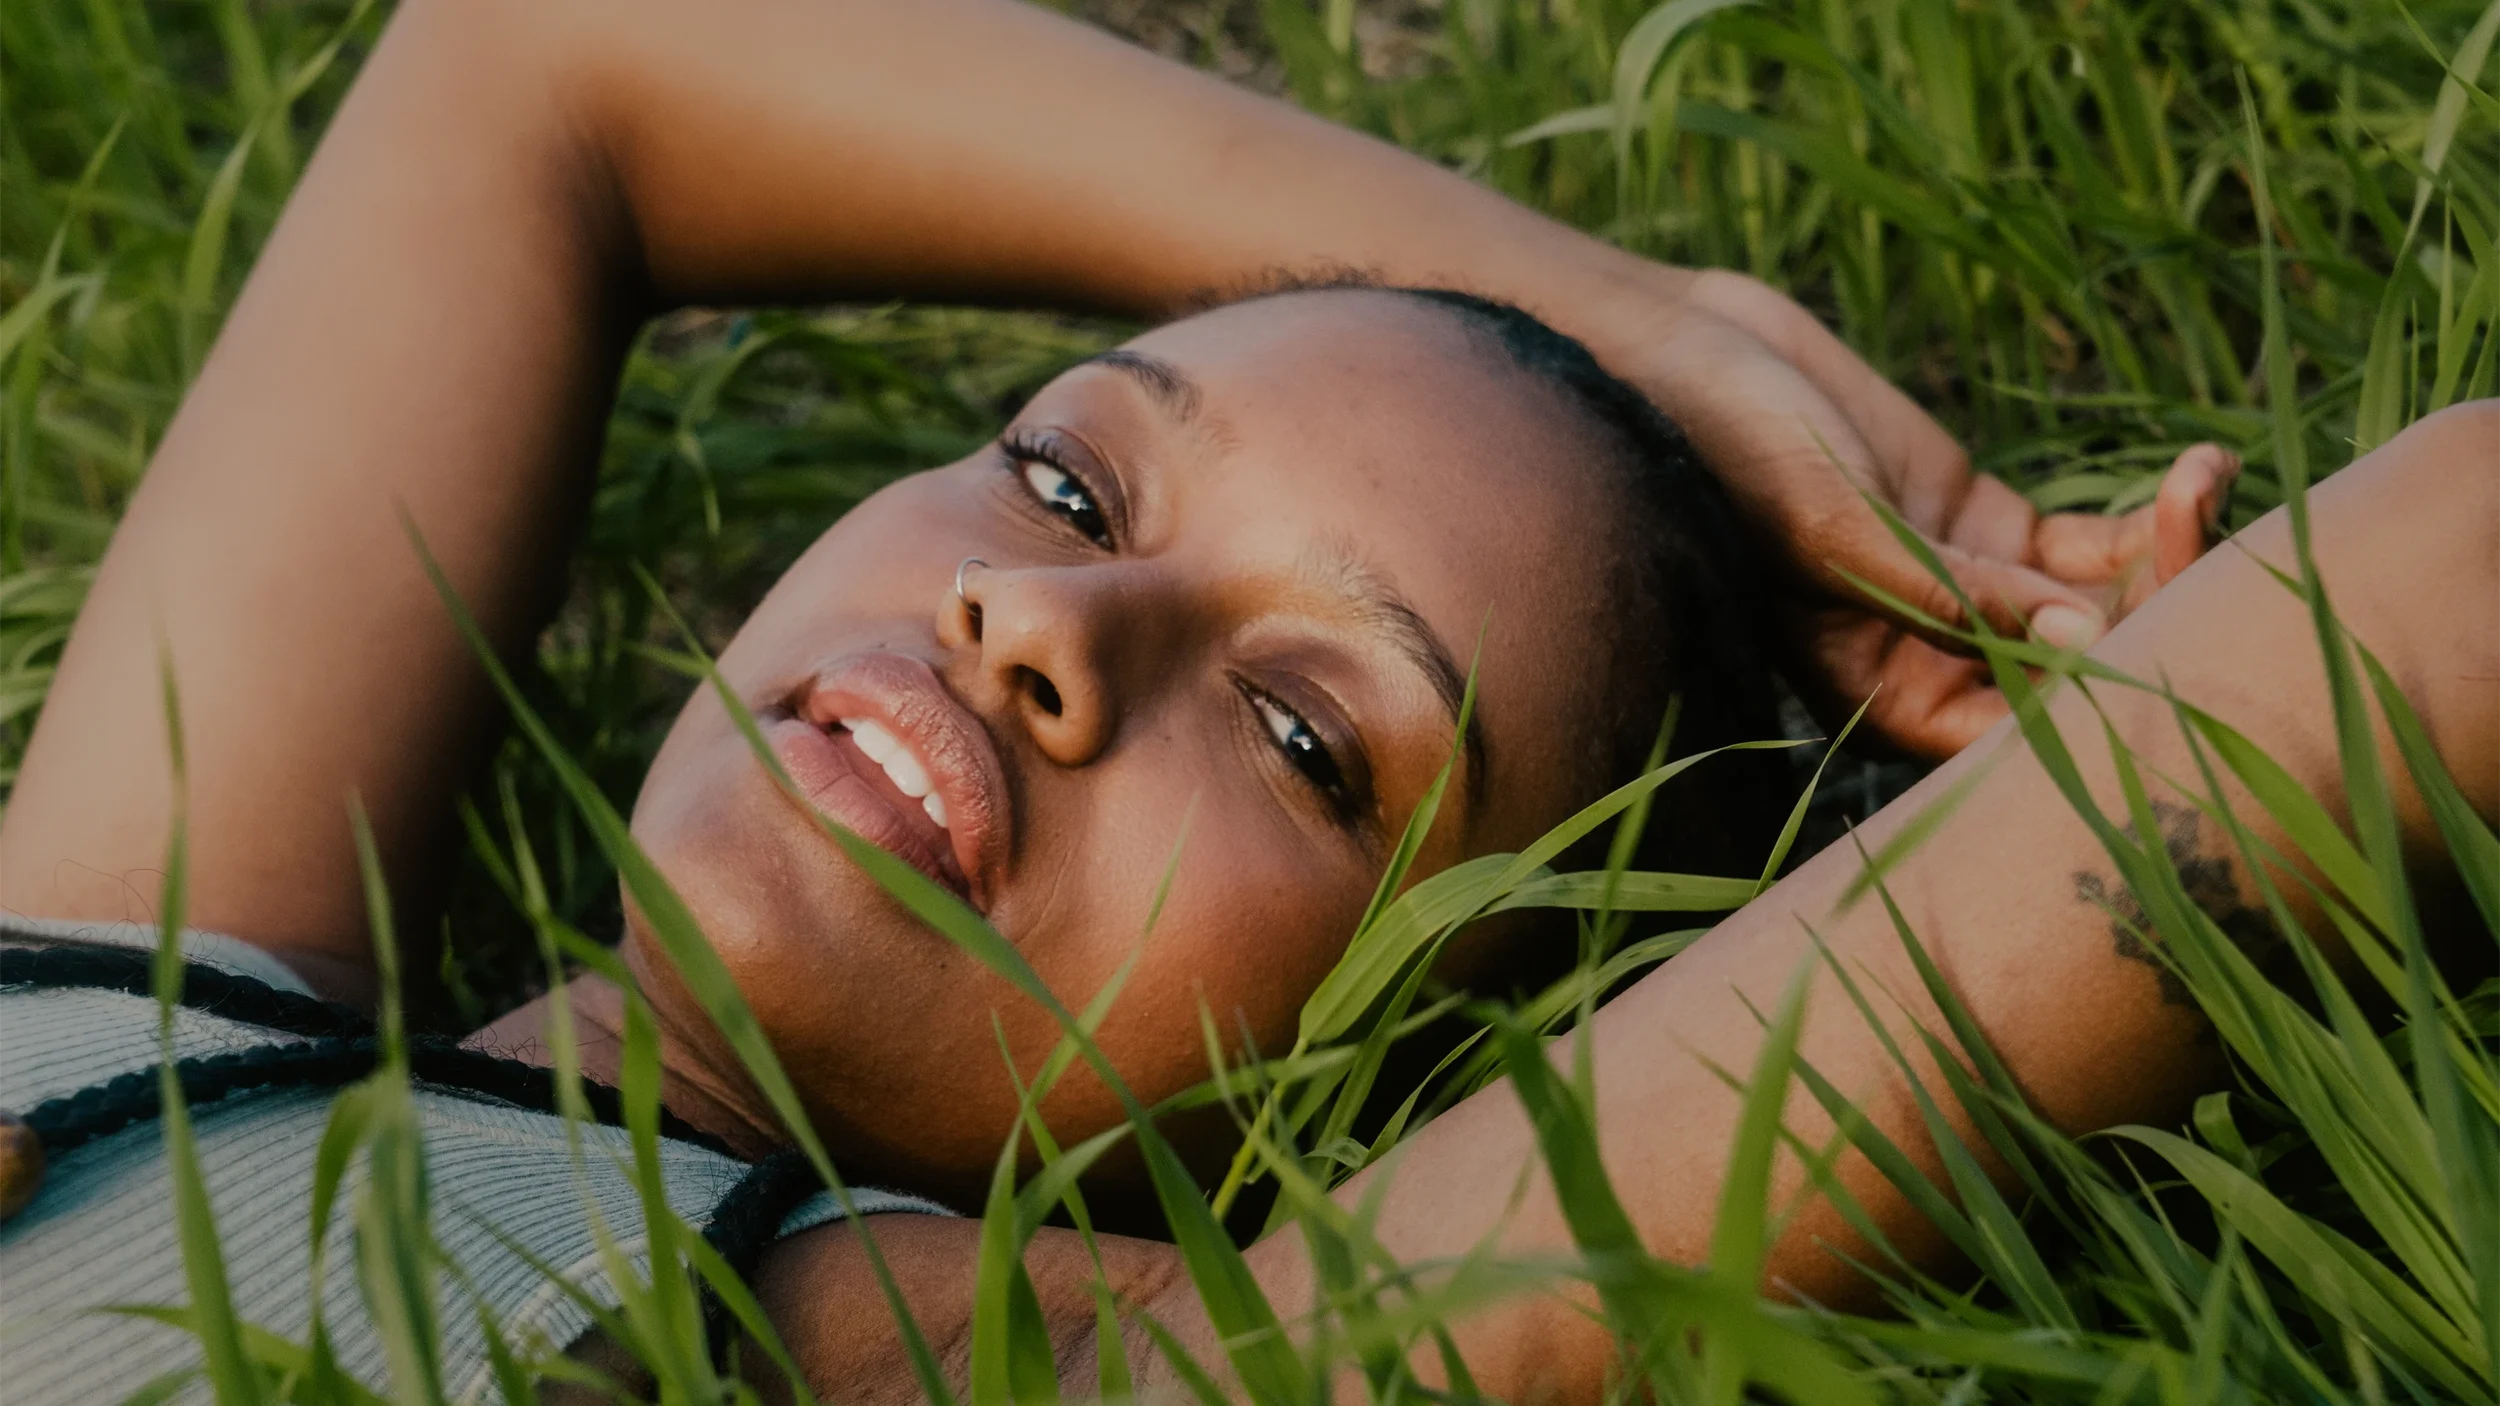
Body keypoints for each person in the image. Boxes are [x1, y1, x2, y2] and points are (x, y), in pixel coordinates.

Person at [0, 0, 2258, 1398]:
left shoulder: (1090, 1365)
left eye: (1305, 740)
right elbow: (551, 50)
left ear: (1423, 1068)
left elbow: (2429, 607)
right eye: (1071, 478)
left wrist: (2152, 720)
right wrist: (1639, 324)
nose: (1041, 626)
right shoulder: (122, 971)